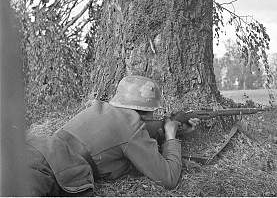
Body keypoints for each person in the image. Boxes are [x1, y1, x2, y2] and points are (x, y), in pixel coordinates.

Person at [26, 75, 199, 196]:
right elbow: (168, 178)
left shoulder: (100, 108)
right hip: (45, 172)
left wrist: (170, 130)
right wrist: (170, 136)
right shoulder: (132, 128)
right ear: (150, 111)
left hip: (32, 150)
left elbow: (115, 139)